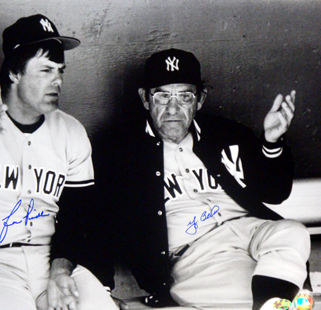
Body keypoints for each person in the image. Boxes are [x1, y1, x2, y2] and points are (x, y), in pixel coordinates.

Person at [93, 48, 311, 310]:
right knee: (250, 294)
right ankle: (281, 298)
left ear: (200, 99)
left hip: (249, 231)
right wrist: (101, 290)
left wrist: (271, 143)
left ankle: (277, 300)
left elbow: (274, 193)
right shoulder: (120, 151)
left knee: (292, 231)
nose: (173, 108)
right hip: (193, 256)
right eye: (162, 95)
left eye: (185, 96)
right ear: (145, 99)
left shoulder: (226, 133)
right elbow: (98, 220)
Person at [0, 14, 117, 310]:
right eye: (45, 70)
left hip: (49, 261)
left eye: (60, 70)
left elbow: (77, 216)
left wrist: (60, 271)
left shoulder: (71, 130)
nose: (57, 80)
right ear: (14, 73)